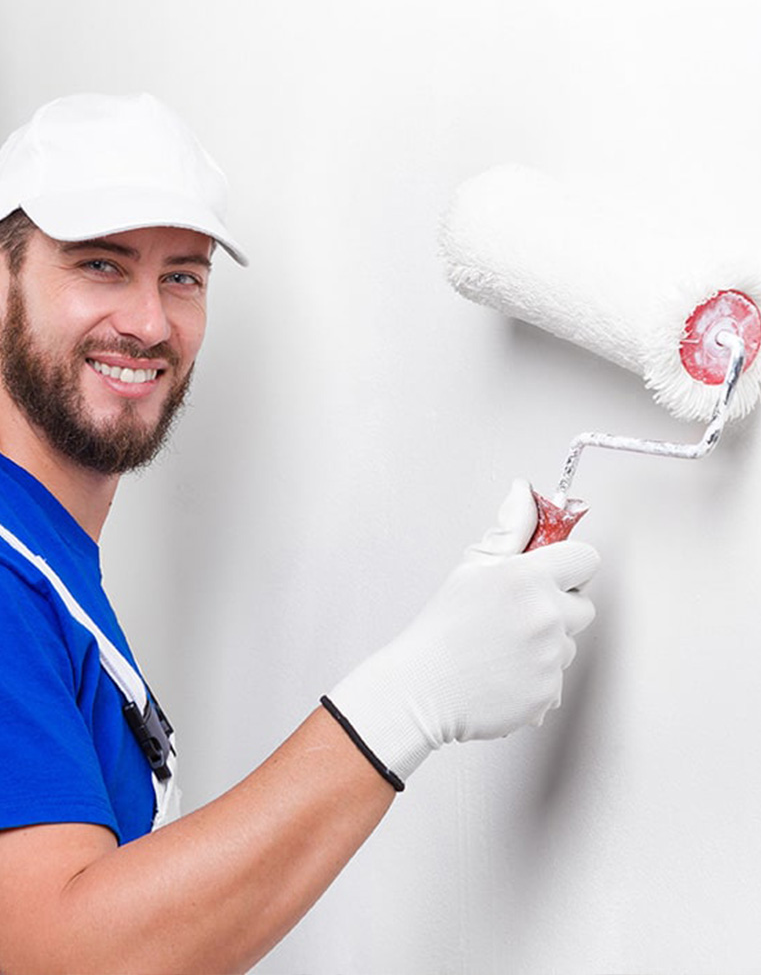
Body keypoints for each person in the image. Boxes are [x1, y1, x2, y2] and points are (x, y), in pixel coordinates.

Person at [0, 92, 600, 973]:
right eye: (100, 266)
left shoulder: (45, 560)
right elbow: (60, 957)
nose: (149, 323)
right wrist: (410, 697)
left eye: (182, 276)